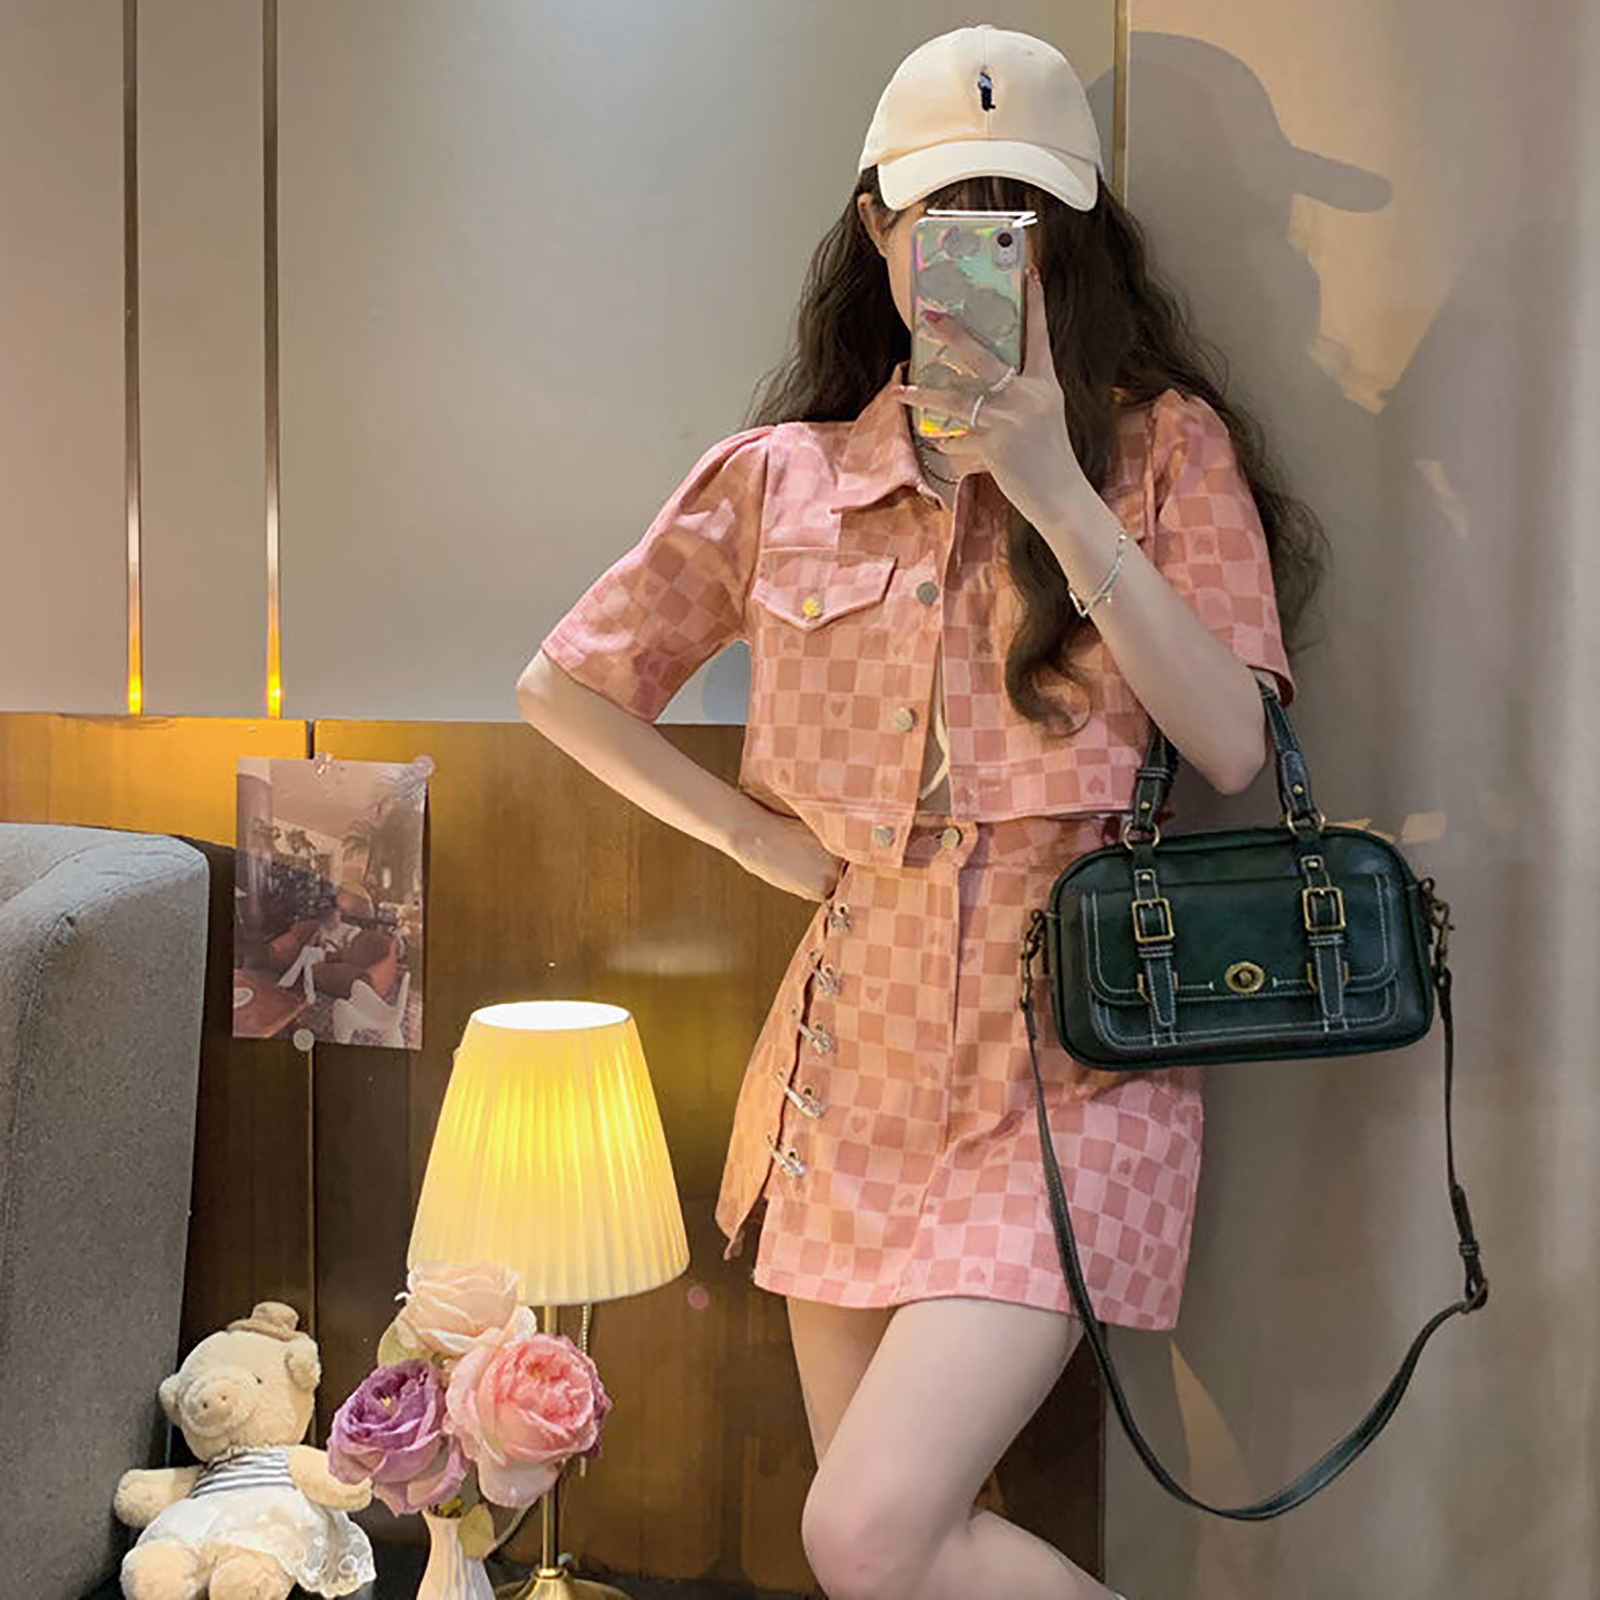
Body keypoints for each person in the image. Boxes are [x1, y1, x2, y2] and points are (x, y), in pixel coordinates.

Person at [519, 23, 1325, 1600]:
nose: (972, 253)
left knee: (863, 1532)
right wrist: (756, 841)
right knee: (895, 1564)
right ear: (878, 229)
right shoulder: (783, 479)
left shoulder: (1161, 449)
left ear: (1070, 240)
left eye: (1013, 220)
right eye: (939, 217)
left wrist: (1054, 485)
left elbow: (1233, 743)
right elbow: (565, 687)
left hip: (1070, 1052)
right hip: (847, 1060)